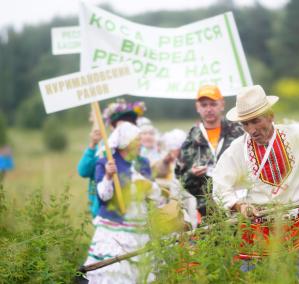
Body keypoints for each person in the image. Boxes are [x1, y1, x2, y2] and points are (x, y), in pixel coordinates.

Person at [212, 85, 299, 283]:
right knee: (253, 279)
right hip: (257, 225)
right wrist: (239, 205)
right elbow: (220, 185)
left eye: (255, 121)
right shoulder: (237, 150)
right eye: (245, 124)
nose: (251, 129)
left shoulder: (297, 136)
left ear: (270, 115)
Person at [84, 122, 162, 283]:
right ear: (126, 143)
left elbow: (156, 195)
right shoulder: (106, 162)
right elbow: (103, 197)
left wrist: (147, 185)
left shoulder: (143, 163)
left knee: (140, 274)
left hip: (139, 228)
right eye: (137, 139)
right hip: (114, 229)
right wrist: (107, 176)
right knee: (115, 272)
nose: (141, 143)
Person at [175, 85, 244, 218]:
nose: (209, 109)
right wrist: (192, 174)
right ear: (197, 107)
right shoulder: (192, 138)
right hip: (209, 211)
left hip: (240, 205)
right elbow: (181, 177)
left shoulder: (238, 131)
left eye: (213, 104)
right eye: (204, 105)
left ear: (222, 104)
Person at [77, 100, 150, 218]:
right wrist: (93, 144)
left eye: (130, 125)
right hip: (107, 214)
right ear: (112, 127)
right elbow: (83, 171)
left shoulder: (139, 154)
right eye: (122, 125)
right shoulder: (103, 152)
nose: (126, 128)